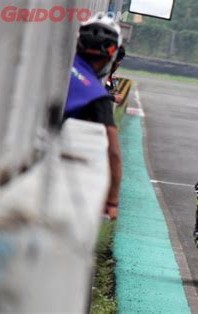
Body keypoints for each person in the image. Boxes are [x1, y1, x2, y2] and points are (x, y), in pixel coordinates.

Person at [64, 12, 123, 220]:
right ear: (111, 55)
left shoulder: (56, 65)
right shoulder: (97, 97)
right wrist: (112, 201)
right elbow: (113, 152)